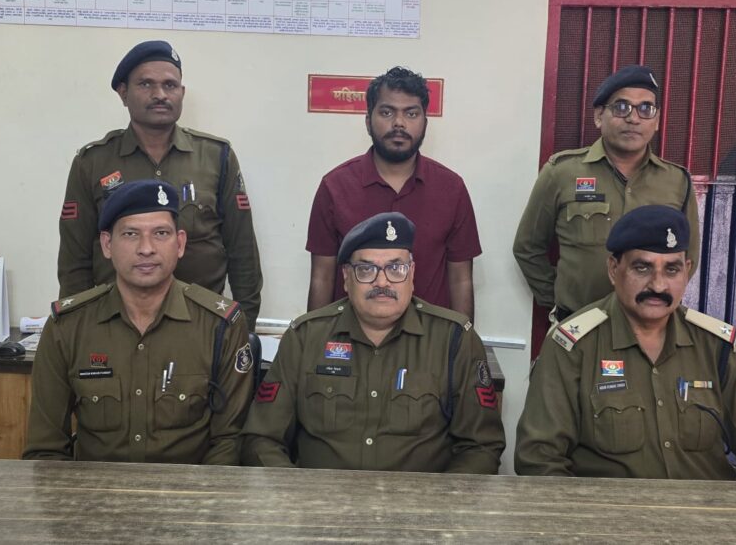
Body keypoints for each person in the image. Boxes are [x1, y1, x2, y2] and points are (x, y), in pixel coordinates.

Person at [515, 205, 736, 481]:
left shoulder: (716, 347)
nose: (658, 285)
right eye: (642, 268)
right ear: (613, 269)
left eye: (672, 270)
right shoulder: (573, 347)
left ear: (687, 270)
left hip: (705, 510)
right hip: (610, 512)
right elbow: (539, 459)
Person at [243, 212, 504, 473]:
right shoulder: (305, 337)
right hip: (320, 497)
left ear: (412, 274)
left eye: (395, 268)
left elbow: (481, 447)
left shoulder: (453, 340)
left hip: (420, 498)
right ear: (346, 278)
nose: (382, 281)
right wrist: (296, 494)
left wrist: (439, 498)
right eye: (366, 270)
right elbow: (261, 439)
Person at [25, 180, 254, 464]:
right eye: (131, 234)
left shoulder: (220, 326)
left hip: (190, 490)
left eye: (161, 233)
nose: (146, 248)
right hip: (94, 490)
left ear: (180, 243)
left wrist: (200, 493)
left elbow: (229, 444)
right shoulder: (68, 327)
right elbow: (45, 450)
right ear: (107, 245)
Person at [57, 40, 262, 330]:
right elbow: (74, 260)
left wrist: (244, 327)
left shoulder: (216, 156)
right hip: (116, 326)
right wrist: (77, 328)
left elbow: (242, 252)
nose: (160, 95)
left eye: (170, 85)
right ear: (123, 93)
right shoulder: (93, 162)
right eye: (146, 84)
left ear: (182, 93)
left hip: (201, 327)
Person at [513, 64, 699, 323]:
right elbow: (527, 247)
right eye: (622, 107)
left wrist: (656, 301)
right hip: (578, 323)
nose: (633, 118)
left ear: (656, 121)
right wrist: (558, 300)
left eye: (646, 109)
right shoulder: (562, 172)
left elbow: (688, 257)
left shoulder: (676, 181)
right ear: (599, 116)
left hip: (648, 326)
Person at [306, 66, 481, 320]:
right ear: (368, 121)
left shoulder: (452, 189)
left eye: (411, 113)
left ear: (425, 122)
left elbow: (461, 279)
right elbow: (321, 277)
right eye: (387, 112)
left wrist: (463, 340)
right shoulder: (335, 187)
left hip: (431, 337)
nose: (399, 123)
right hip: (351, 335)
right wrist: (313, 339)